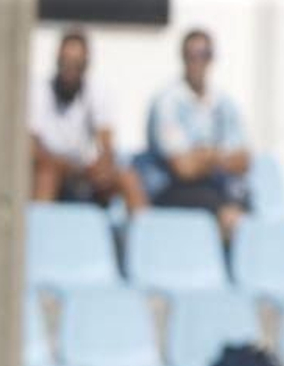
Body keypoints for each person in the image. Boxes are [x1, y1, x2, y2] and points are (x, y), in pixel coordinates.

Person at [143, 28, 250, 239]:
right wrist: (218, 157)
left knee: (245, 205)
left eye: (204, 55)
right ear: (183, 58)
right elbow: (182, 169)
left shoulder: (224, 103)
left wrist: (204, 156)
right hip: (173, 189)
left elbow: (243, 160)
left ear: (212, 59)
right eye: (192, 55)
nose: (198, 62)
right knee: (225, 214)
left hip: (215, 188)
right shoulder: (167, 102)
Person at [30, 29, 148, 214]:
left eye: (77, 63)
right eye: (66, 62)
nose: (70, 68)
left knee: (128, 178)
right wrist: (65, 166)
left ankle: (144, 236)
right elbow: (32, 146)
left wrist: (102, 166)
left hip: (85, 170)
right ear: (57, 61)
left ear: (86, 64)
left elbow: (106, 143)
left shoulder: (98, 91)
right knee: (46, 175)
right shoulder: (39, 91)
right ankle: (38, 236)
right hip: (52, 166)